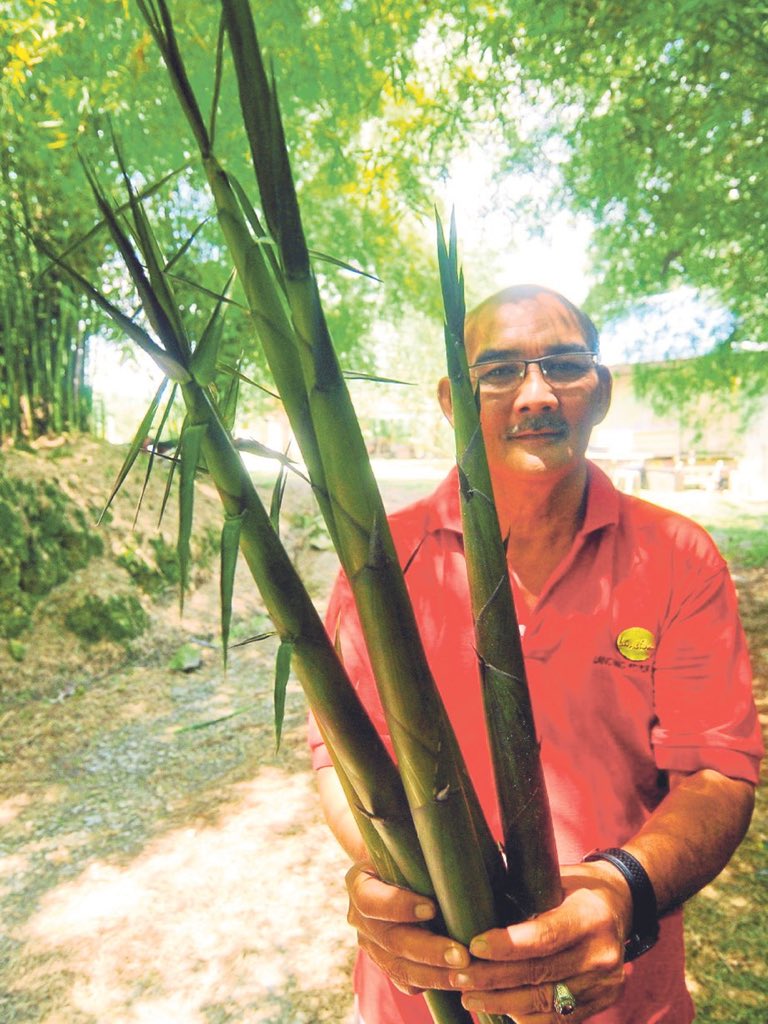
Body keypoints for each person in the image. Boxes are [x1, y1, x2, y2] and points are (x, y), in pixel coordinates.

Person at [308, 284, 763, 1023]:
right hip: (425, 997)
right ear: (452, 400)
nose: (537, 394)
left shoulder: (677, 557)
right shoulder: (382, 561)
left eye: (565, 366)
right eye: (499, 372)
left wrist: (620, 890)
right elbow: (342, 762)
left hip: (619, 997)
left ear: (601, 391)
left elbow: (717, 771)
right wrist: (389, 875)